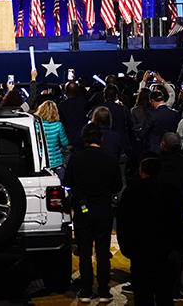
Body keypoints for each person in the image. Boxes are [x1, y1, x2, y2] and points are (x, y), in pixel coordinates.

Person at [117, 154, 183, 306]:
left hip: (140, 250)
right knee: (165, 295)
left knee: (143, 295)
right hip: (165, 250)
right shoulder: (172, 192)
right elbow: (181, 222)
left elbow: (123, 222)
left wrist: (126, 247)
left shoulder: (132, 191)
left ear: (142, 171)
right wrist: (178, 247)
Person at [65, 124, 122, 303]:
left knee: (84, 251)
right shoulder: (110, 159)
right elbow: (117, 186)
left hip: (83, 208)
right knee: (103, 251)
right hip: (103, 208)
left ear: (84, 138)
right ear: (101, 138)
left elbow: (67, 182)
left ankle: (86, 289)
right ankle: (104, 289)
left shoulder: (76, 158)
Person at [34, 100, 69, 182]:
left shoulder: (36, 125)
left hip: (41, 162)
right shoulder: (58, 125)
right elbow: (65, 143)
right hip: (57, 162)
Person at [58, 81, 88, 148]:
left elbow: (61, 123)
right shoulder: (84, 103)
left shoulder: (62, 106)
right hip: (82, 137)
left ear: (65, 91)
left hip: (68, 138)